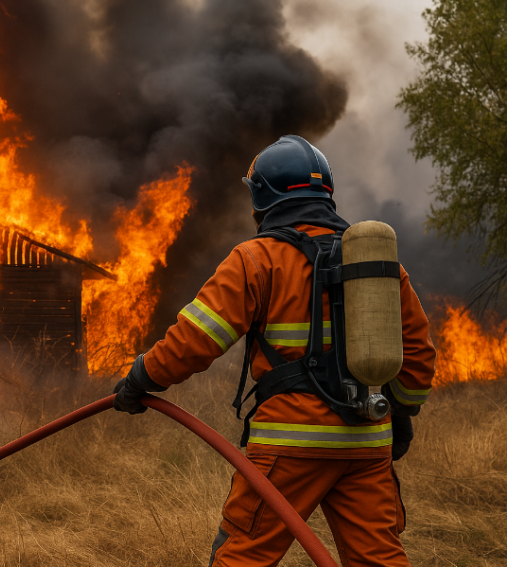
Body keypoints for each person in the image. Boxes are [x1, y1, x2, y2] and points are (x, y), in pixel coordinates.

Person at [113, 135, 436, 567]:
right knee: (380, 560)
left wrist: (141, 378)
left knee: (243, 557)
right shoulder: (378, 265)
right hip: (366, 443)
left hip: (290, 445)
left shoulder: (256, 259)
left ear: (262, 197)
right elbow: (417, 354)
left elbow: (195, 340)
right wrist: (400, 413)